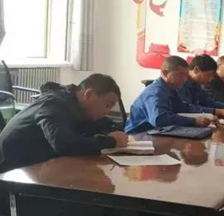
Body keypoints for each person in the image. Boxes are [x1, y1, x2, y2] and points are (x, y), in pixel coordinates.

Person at [0, 74, 128, 175]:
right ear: (88, 95)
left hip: (35, 168)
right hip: (11, 173)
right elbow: (64, 144)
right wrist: (111, 142)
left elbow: (102, 124)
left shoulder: (77, 107)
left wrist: (113, 131)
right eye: (107, 105)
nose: (107, 111)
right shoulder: (55, 105)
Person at [125, 56, 218, 134]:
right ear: (165, 73)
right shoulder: (155, 92)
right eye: (181, 75)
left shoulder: (171, 89)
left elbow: (182, 108)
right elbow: (159, 119)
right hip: (138, 135)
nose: (185, 79)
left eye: (186, 75)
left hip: (158, 132)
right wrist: (194, 121)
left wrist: (207, 116)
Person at [177, 54, 224, 118]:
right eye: (209, 75)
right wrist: (218, 112)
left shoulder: (197, 84)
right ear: (196, 70)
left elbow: (208, 102)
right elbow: (187, 108)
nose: (210, 80)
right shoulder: (179, 83)